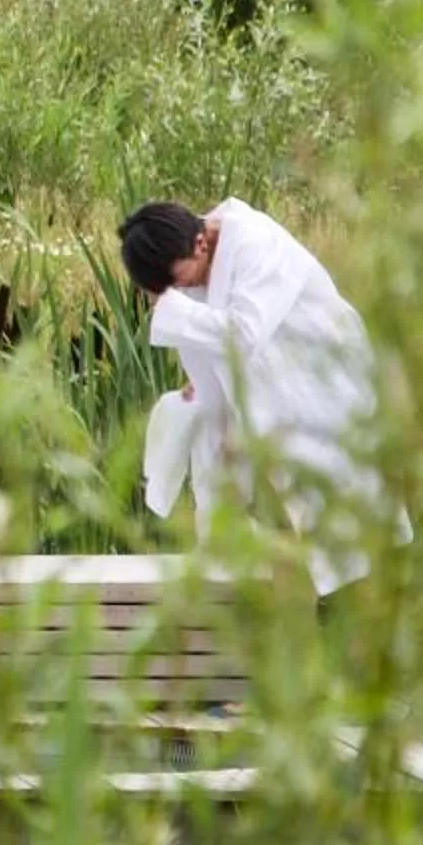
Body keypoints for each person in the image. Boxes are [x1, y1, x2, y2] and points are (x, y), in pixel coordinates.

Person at [118, 199, 387, 602]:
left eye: (176, 282)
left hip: (322, 387)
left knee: (338, 519)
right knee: (278, 521)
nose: (177, 293)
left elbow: (244, 333)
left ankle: (356, 612)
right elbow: (209, 343)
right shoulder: (192, 266)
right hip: (268, 399)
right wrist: (202, 385)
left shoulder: (256, 244)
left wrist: (173, 309)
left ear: (200, 243)